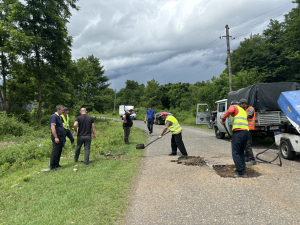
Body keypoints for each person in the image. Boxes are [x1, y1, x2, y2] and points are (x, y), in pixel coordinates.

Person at [220, 100, 249, 178]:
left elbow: (229, 111)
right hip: (245, 133)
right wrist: (234, 138)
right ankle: (243, 169)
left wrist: (223, 119)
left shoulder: (234, 106)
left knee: (235, 153)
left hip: (238, 132)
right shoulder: (243, 111)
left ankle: (241, 172)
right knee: (241, 152)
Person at [239, 98, 256, 165]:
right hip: (245, 128)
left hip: (249, 128)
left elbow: (245, 117)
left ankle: (252, 160)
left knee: (248, 144)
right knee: (245, 143)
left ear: (244, 104)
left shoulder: (251, 109)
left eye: (241, 104)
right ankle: (247, 157)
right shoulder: (245, 109)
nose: (240, 105)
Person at [49, 104, 65, 171]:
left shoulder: (60, 117)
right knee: (55, 151)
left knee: (59, 150)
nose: (63, 111)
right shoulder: (54, 116)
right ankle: (52, 166)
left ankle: (57, 163)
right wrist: (56, 137)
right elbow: (53, 127)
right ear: (58, 110)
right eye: (62, 110)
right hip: (56, 136)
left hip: (61, 135)